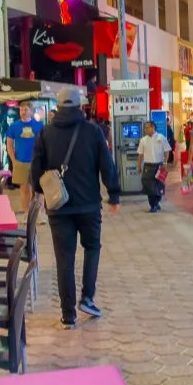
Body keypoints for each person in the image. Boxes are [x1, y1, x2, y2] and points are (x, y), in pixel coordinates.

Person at [31, 86, 121, 329]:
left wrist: (41, 193)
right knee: (92, 247)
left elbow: (35, 172)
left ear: (58, 108)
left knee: (64, 259)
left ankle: (68, 316)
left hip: (59, 207)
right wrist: (113, 195)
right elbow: (107, 165)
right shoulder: (93, 131)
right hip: (89, 205)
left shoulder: (45, 134)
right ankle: (88, 298)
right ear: (80, 106)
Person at [6, 102, 44, 217]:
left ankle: (38, 214)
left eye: (26, 110)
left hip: (36, 162)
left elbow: (44, 144)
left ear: (31, 111)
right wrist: (13, 160)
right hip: (21, 162)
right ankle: (26, 213)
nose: (24, 112)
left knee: (38, 190)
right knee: (24, 189)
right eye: (22, 110)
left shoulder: (39, 126)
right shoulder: (13, 126)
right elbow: (9, 145)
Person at [137, 120, 169, 212]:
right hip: (148, 166)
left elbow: (166, 151)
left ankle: (157, 201)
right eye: (145, 128)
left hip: (159, 166)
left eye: (147, 127)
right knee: (149, 186)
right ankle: (153, 205)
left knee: (159, 186)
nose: (145, 129)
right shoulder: (143, 140)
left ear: (153, 128)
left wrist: (165, 163)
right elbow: (140, 154)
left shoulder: (161, 138)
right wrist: (139, 166)